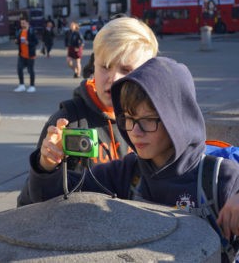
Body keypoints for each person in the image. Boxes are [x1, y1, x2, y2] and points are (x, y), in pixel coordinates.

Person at [24, 56, 239, 261]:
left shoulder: (221, 179)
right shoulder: (127, 173)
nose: (135, 131)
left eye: (147, 120)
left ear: (177, 119)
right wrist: (47, 164)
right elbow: (52, 196)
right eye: (127, 118)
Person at [17, 16, 159, 206]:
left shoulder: (154, 123)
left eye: (126, 69)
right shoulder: (67, 121)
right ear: (94, 65)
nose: (113, 78)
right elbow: (29, 202)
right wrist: (45, 166)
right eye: (105, 67)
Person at [13, 17, 39, 93]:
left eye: (23, 23)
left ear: (27, 23)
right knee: (19, 69)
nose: (22, 24)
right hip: (21, 55)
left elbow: (36, 42)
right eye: (21, 23)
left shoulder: (31, 31)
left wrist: (29, 43)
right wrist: (16, 41)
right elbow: (18, 41)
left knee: (30, 70)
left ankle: (32, 86)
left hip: (30, 55)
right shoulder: (20, 31)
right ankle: (21, 85)